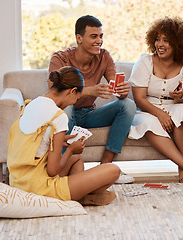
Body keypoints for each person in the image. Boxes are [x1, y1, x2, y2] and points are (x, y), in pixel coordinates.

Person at [7, 66, 120, 205]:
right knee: (113, 170)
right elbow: (52, 170)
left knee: (76, 160)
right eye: (77, 98)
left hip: (19, 181)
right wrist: (71, 149)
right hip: (38, 187)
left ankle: (77, 195)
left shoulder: (31, 104)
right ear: (72, 91)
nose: (74, 103)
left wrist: (61, 141)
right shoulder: (58, 116)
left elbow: (35, 142)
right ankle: (77, 198)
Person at [48, 15, 136, 184]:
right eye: (94, 36)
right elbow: (56, 93)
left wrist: (122, 91)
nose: (99, 41)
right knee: (66, 110)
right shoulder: (60, 59)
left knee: (128, 105)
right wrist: (88, 91)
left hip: (90, 114)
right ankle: (63, 170)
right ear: (79, 38)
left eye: (101, 36)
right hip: (68, 112)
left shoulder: (103, 56)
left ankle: (106, 166)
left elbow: (117, 89)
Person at [128, 17, 183, 183]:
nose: (160, 44)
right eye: (157, 39)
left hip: (173, 106)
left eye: (166, 40)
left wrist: (181, 97)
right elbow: (139, 99)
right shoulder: (145, 62)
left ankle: (182, 168)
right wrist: (161, 114)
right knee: (150, 122)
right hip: (146, 108)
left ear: (179, 43)